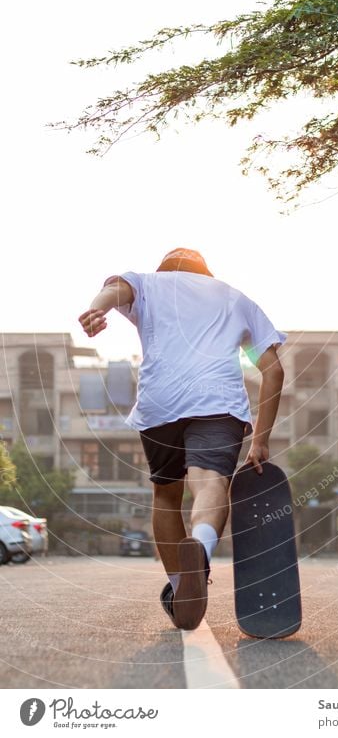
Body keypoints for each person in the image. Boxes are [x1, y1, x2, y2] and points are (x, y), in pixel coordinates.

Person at [78, 247, 286, 630]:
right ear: (205, 272)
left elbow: (115, 289)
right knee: (209, 482)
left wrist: (97, 311)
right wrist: (260, 439)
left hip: (160, 404)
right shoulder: (234, 297)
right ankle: (201, 551)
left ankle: (179, 588)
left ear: (165, 269)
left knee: (166, 495)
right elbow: (273, 373)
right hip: (217, 403)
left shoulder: (149, 284)